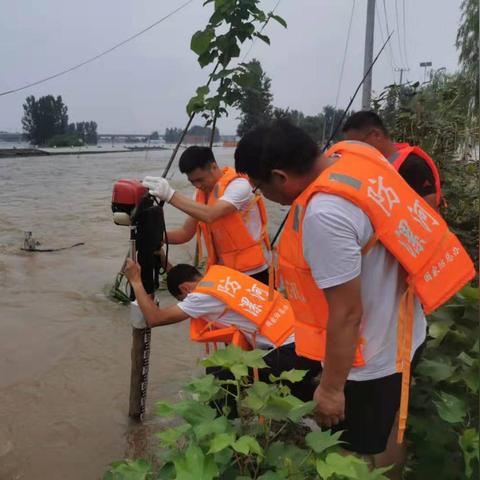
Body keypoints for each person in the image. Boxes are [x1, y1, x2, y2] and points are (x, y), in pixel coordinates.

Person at [234, 121, 474, 478]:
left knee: (351, 449)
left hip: (371, 357)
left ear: (280, 177)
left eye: (259, 186)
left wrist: (331, 390)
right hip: (408, 330)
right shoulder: (357, 156)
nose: (261, 195)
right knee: (393, 422)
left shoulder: (326, 214)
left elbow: (346, 314)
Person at [123, 258, 322, 409]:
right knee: (232, 368)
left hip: (296, 353)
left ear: (186, 289)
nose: (186, 305)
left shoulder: (201, 296)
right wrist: (163, 259)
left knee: (219, 378)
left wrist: (136, 281)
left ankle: (225, 431)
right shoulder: (222, 276)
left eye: (183, 299)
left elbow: (155, 318)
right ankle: (319, 399)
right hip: (313, 342)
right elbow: (181, 278)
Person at [142, 146, 270, 284]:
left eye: (200, 179)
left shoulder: (239, 185)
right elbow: (185, 233)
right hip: (224, 270)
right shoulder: (200, 194)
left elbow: (210, 214)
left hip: (254, 270)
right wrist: (153, 235)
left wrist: (170, 195)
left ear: (213, 167)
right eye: (192, 182)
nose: (197, 185)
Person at [342, 111, 442, 210]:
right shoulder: (374, 166)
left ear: (376, 135)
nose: (356, 150)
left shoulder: (413, 165)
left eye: (358, 144)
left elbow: (429, 210)